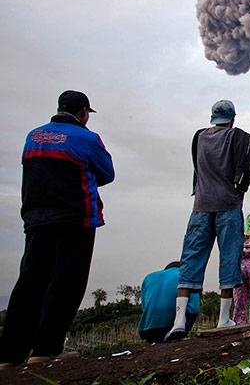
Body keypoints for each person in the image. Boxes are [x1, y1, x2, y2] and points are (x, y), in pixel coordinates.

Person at [0, 91, 115, 368]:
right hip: (76, 218)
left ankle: (9, 356)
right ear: (84, 113)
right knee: (66, 282)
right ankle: (46, 349)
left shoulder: (33, 136)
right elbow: (107, 174)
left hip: (36, 218)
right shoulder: (87, 138)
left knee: (29, 282)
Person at [165, 99, 250, 342]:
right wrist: (240, 197)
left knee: (191, 258)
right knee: (229, 256)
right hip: (228, 205)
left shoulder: (198, 137)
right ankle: (224, 319)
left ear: (212, 118)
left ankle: (179, 322)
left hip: (201, 206)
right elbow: (246, 171)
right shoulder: (240, 137)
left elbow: (197, 169)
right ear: (233, 118)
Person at [138, 262, 200, 343]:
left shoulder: (149, 277)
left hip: (149, 326)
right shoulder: (187, 276)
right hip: (173, 324)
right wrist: (185, 327)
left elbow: (144, 304)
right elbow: (194, 309)